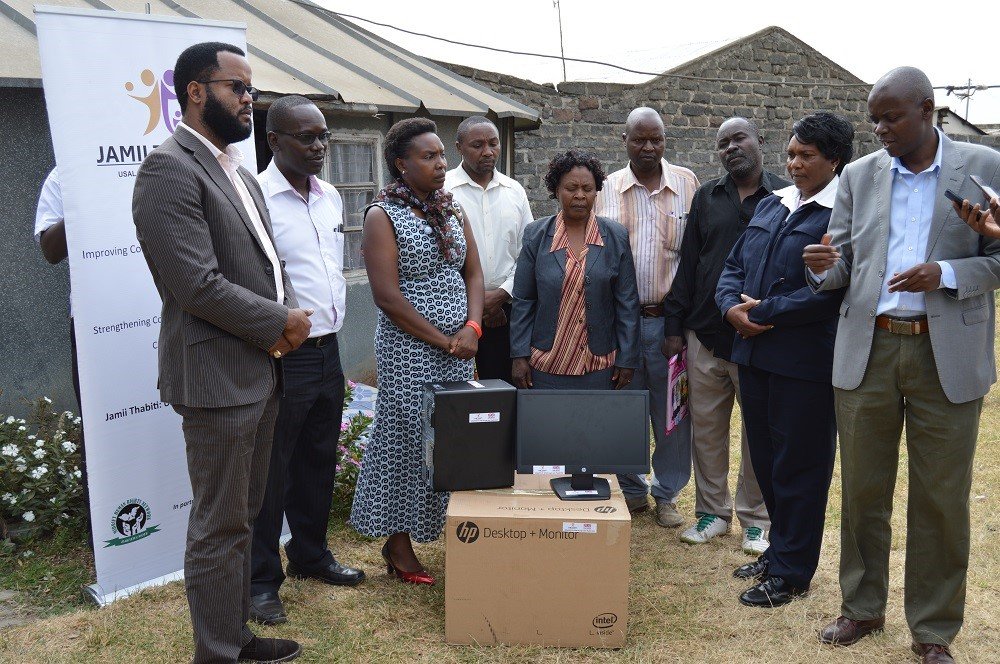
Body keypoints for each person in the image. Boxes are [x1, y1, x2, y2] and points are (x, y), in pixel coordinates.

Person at [803, 67, 1000, 664]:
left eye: (892, 117)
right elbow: (841, 265)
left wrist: (946, 273)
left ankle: (934, 629)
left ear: (928, 109)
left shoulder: (984, 167)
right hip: (871, 349)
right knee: (863, 490)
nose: (881, 129)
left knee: (941, 497)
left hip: (948, 354)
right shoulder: (860, 176)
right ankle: (861, 607)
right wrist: (820, 268)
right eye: (875, 120)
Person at [133, 42, 309, 664]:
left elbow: (262, 262)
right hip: (218, 378)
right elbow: (194, 284)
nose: (249, 100)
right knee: (219, 522)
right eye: (238, 88)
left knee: (242, 516)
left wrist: (285, 313)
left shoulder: (235, 168)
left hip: (259, 371)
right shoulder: (169, 168)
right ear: (196, 91)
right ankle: (217, 652)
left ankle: (235, 638)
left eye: (252, 89)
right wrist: (279, 321)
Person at [717, 112, 853, 608]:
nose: (794, 164)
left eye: (806, 156)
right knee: (770, 464)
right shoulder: (774, 204)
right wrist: (730, 305)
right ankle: (779, 551)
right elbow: (734, 264)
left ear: (833, 160)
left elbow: (829, 292)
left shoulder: (842, 213)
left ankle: (793, 571)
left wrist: (764, 311)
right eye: (791, 154)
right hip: (754, 355)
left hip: (804, 362)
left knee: (801, 467)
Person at [349, 117, 484, 585]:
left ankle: (452, 530)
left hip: (461, 346)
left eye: (442, 155)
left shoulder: (452, 209)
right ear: (401, 165)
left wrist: (472, 326)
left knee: (454, 443)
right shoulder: (381, 216)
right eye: (429, 157)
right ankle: (398, 544)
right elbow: (387, 297)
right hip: (409, 351)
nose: (441, 164)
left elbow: (474, 274)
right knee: (409, 441)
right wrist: (445, 340)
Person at [248, 95, 365, 628]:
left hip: (329, 348)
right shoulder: (254, 197)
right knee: (272, 469)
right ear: (274, 141)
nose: (320, 146)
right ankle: (260, 583)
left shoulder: (331, 196)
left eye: (324, 137)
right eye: (307, 137)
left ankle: (312, 555)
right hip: (283, 352)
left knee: (317, 458)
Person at [663, 117, 784, 550]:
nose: (731, 147)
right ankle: (712, 512)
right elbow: (689, 262)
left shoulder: (785, 197)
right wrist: (675, 327)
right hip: (705, 335)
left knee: (758, 431)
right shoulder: (706, 198)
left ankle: (756, 519)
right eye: (723, 143)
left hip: (758, 335)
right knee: (707, 430)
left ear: (760, 141)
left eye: (739, 138)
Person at [595, 107, 698, 518]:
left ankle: (667, 493)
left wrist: (679, 322)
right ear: (625, 141)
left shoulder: (688, 184)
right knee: (625, 405)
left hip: (668, 324)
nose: (649, 147)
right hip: (619, 322)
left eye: (656, 138)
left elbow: (695, 257)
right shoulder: (606, 188)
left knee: (672, 410)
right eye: (640, 139)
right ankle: (631, 488)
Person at [510, 150, 639, 395]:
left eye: (587, 189)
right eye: (571, 188)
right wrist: (519, 355)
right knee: (551, 430)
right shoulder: (536, 236)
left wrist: (627, 358)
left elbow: (627, 302)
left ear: (596, 191)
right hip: (547, 362)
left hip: (601, 363)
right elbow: (524, 300)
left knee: (595, 430)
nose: (580, 195)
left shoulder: (615, 236)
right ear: (556, 190)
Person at [444, 116, 533, 383]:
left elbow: (527, 253)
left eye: (493, 144)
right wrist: (478, 302)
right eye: (478, 145)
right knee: (455, 391)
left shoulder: (514, 190)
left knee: (500, 388)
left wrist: (501, 295)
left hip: (504, 312)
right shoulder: (443, 190)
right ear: (459, 147)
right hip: (455, 309)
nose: (488, 151)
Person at [33, 167, 94, 551]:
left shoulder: (161, 159)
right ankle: (107, 529)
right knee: (101, 420)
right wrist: (84, 195)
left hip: (161, 308)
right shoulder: (66, 174)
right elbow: (51, 250)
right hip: (99, 324)